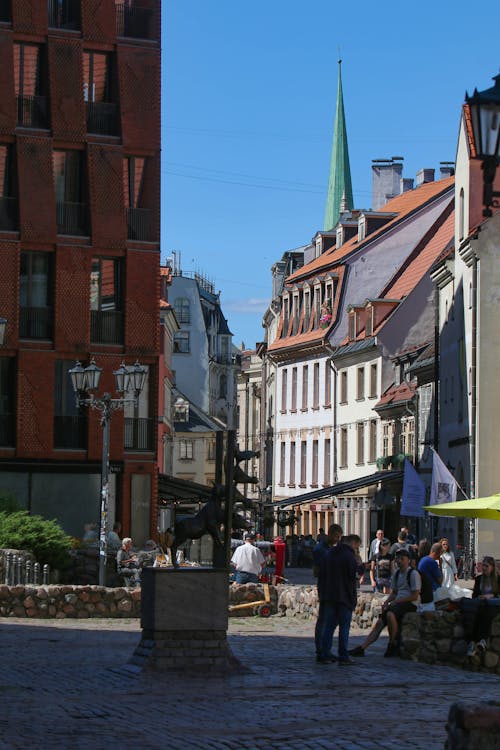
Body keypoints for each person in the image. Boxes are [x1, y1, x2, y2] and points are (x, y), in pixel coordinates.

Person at [349, 548, 421, 658]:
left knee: (390, 614)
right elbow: (394, 592)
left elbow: (415, 595)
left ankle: (392, 644)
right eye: (398, 558)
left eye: (402, 558)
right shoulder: (397, 574)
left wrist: (396, 601)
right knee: (380, 623)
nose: (399, 561)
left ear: (408, 560)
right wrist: (387, 602)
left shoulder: (413, 574)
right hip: (398, 603)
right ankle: (363, 647)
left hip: (410, 603)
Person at [317, 524, 358, 665]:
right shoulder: (349, 556)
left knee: (329, 625)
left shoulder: (329, 554)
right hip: (344, 597)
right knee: (344, 627)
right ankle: (343, 655)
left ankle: (325, 652)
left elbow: (321, 574)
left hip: (329, 595)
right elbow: (353, 577)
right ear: (352, 544)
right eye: (356, 546)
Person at [463, 556, 500, 657]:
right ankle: (478, 641)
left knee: (487, 613)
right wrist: (480, 597)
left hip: (493, 604)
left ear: (492, 567)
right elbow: (474, 595)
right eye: (483, 565)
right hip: (481, 603)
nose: (484, 568)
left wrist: (490, 596)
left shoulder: (498, 579)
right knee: (475, 615)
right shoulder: (479, 579)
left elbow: (498, 594)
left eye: (486, 566)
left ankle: (477, 641)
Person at [417, 542, 443, 611]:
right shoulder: (432, 562)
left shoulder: (423, 559)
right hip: (432, 591)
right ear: (438, 553)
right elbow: (440, 581)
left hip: (424, 591)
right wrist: (441, 565)